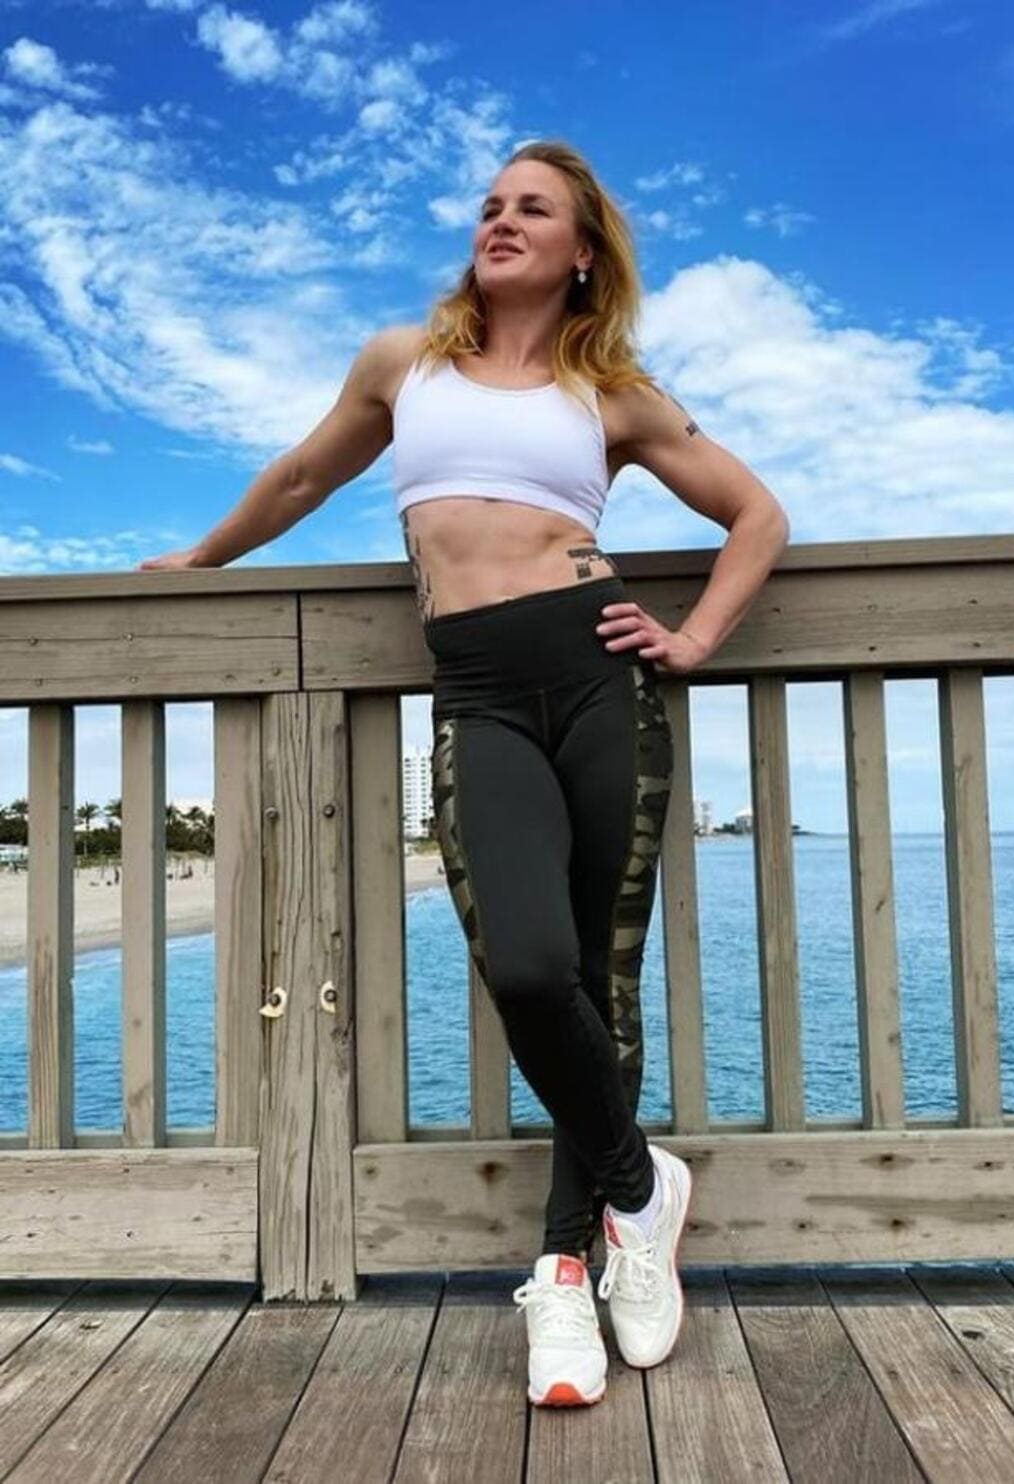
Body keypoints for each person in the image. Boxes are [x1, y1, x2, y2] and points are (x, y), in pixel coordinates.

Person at [139, 139, 790, 1408]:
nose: (500, 220)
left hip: (600, 682)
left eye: (531, 208)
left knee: (598, 981)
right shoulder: (405, 363)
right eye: (490, 205)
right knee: (528, 967)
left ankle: (564, 1274)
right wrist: (204, 558)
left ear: (581, 250)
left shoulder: (613, 392)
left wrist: (695, 636)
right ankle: (641, 1189)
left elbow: (754, 514)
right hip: (479, 693)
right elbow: (303, 473)